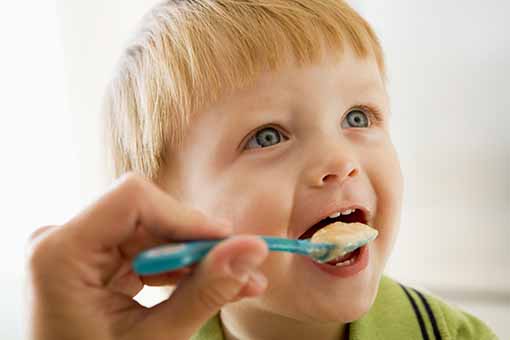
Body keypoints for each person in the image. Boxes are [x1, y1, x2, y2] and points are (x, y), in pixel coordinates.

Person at [27, 1, 497, 339]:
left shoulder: (452, 334)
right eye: (268, 136)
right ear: (164, 218)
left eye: (358, 117)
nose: (340, 162)